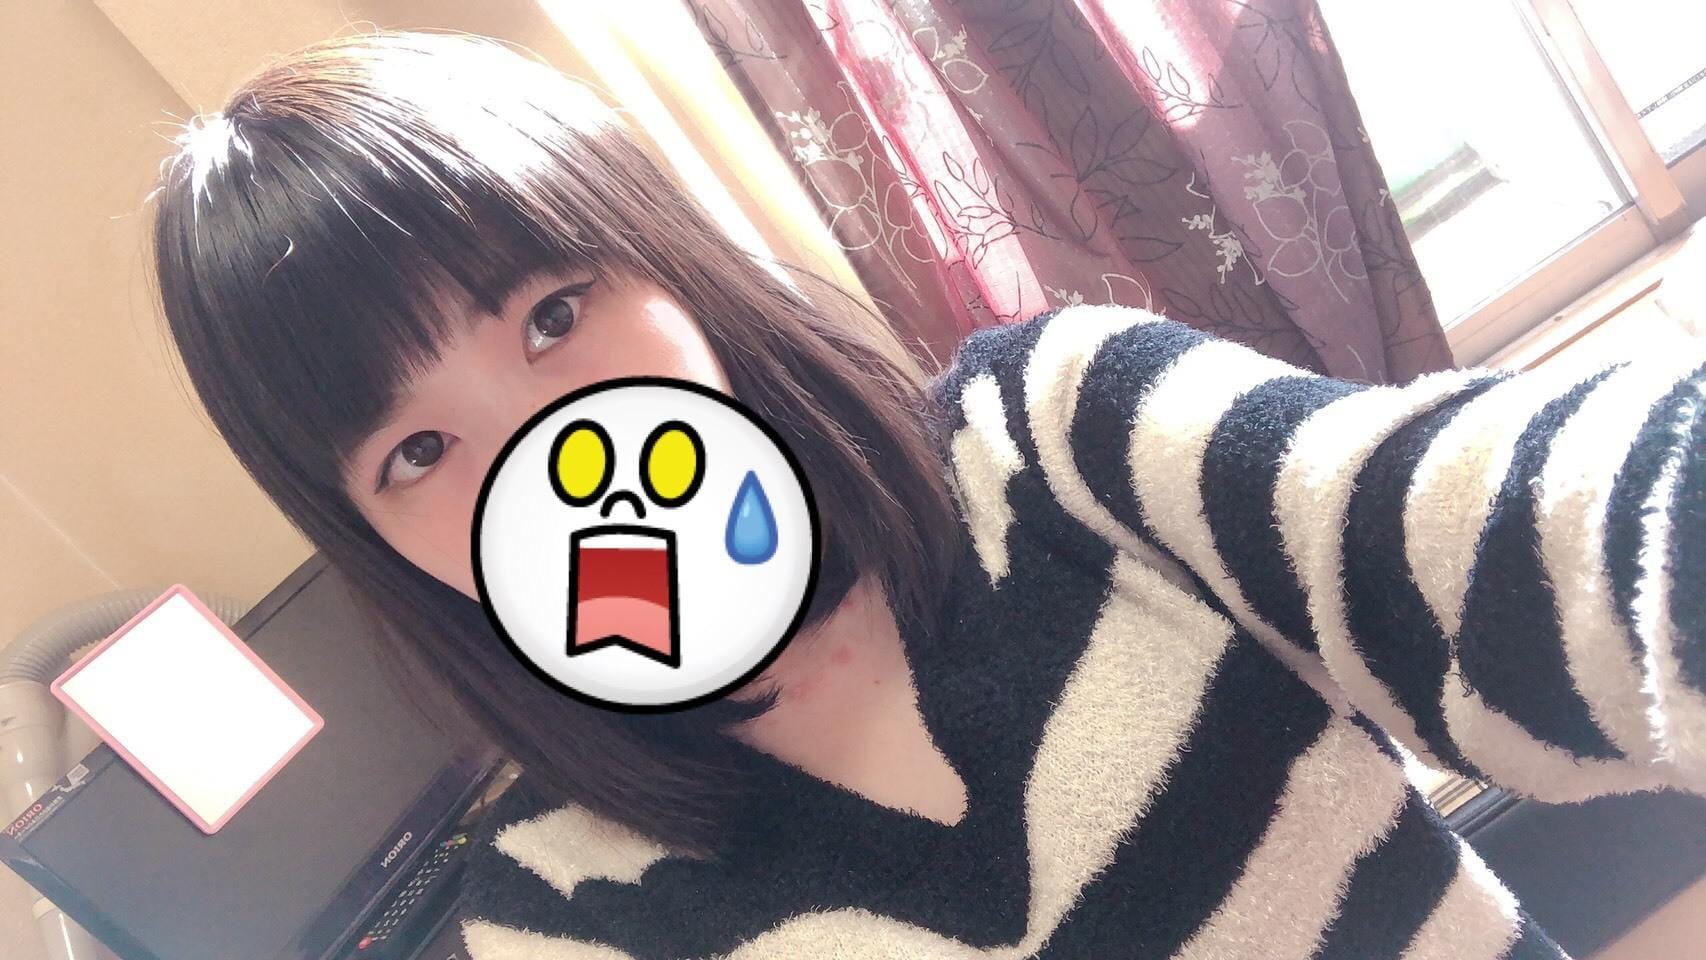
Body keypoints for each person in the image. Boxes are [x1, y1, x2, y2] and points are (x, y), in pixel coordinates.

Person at [148, 29, 1705, 960]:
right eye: (417, 455)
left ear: (672, 270)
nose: (560, 457)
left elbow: (1489, 530)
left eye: (555, 314)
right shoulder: (555, 908)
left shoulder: (1062, 434)